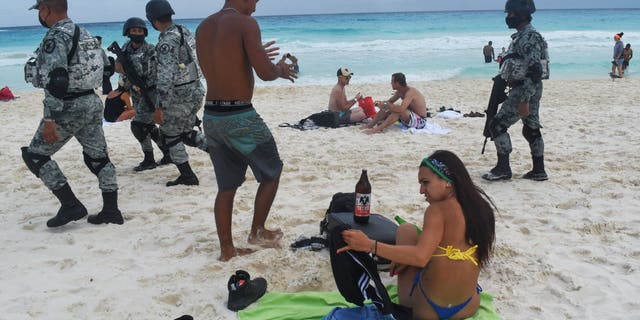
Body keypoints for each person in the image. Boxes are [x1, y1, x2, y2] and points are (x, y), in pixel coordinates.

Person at [338, 150, 496, 320]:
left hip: (429, 310)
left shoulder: (437, 211)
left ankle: (402, 261)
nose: (421, 191)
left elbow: (421, 257)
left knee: (405, 232)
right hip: (468, 306)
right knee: (408, 230)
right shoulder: (482, 209)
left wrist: (370, 245)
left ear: (448, 182)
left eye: (425, 183)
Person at [196, 0, 297, 261]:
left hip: (212, 114)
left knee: (226, 186)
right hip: (239, 115)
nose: (255, 6)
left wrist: (256, 54)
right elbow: (264, 73)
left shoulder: (204, 26)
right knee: (272, 171)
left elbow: (222, 64)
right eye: (255, 0)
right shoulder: (245, 23)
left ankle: (227, 250)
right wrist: (280, 70)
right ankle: (258, 231)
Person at [22, 0, 123, 227]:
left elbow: (57, 80)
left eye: (39, 10)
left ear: (46, 9)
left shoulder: (56, 36)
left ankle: (70, 205)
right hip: (91, 102)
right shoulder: (85, 33)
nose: (40, 15)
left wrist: (50, 119)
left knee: (35, 155)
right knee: (98, 158)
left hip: (68, 106)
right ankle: (111, 210)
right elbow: (107, 67)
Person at [482, 0, 549, 182]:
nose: (508, 17)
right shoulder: (523, 36)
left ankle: (503, 168)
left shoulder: (529, 37)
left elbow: (534, 70)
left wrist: (524, 100)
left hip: (524, 88)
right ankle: (538, 170)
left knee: (497, 125)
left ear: (521, 15)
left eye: (511, 14)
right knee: (531, 128)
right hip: (528, 88)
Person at [146, 0, 208, 186]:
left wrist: (160, 106)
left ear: (153, 20)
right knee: (186, 133)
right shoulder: (183, 31)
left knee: (170, 135)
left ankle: (187, 176)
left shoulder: (167, 41)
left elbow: (166, 76)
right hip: (196, 90)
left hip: (181, 95)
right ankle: (227, 157)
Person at [116, 17, 167, 172]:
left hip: (150, 91)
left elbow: (155, 72)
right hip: (135, 93)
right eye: (134, 30)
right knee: (149, 125)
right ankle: (167, 152)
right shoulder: (124, 48)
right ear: (128, 32)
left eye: (139, 31)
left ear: (144, 33)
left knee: (139, 125)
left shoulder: (151, 50)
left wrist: (143, 84)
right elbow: (121, 69)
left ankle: (149, 159)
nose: (137, 33)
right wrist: (124, 82)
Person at [363, 73, 428, 134]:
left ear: (397, 83)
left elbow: (401, 109)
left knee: (398, 110)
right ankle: (370, 125)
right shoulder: (400, 91)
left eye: (392, 81)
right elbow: (389, 102)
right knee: (387, 107)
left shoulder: (410, 92)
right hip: (409, 118)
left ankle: (377, 129)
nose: (390, 83)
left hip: (420, 121)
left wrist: (386, 104)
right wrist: (380, 103)